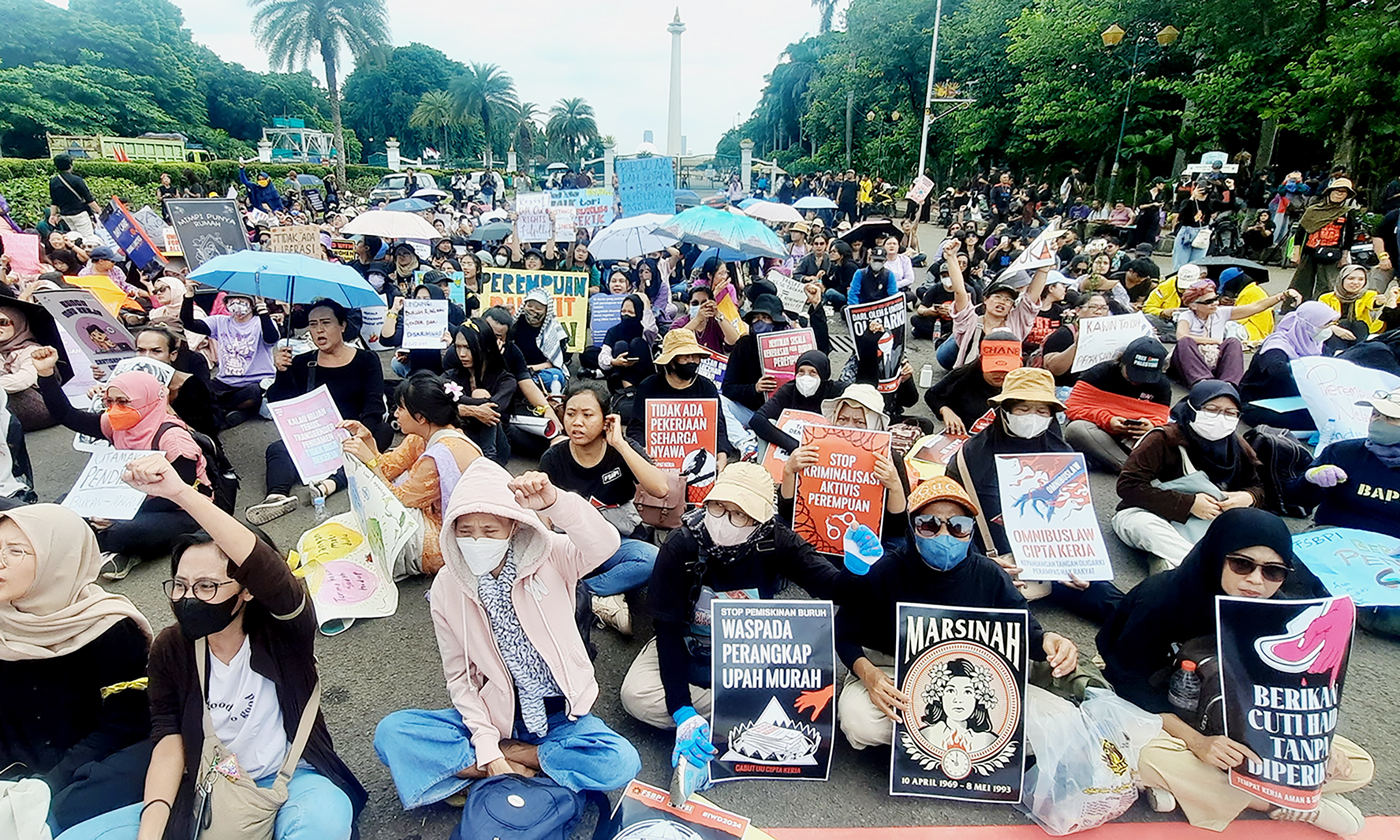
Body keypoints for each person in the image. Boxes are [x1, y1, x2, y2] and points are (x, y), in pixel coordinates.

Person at [58, 454, 368, 840]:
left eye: (207, 586)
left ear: (247, 590)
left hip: (294, 782)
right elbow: (168, 739)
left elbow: (267, 569)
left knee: (321, 825)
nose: (189, 597)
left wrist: (179, 493)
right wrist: (151, 829)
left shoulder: (282, 630)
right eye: (180, 585)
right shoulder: (171, 648)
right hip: (212, 787)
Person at [373, 460, 641, 807]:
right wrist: (487, 743)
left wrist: (555, 501)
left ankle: (512, 759)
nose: (476, 540)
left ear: (513, 526)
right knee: (391, 734)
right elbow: (461, 678)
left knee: (620, 761)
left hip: (560, 716)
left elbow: (605, 544)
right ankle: (514, 765)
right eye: (465, 530)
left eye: (489, 530)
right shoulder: (447, 586)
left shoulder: (550, 555)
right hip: (493, 717)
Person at [1097, 509, 1372, 835]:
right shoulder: (1163, 598)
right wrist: (1197, 742)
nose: (1256, 580)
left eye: (1273, 571)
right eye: (1242, 564)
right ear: (1217, 556)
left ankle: (1189, 789)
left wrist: (1316, 746)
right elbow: (1128, 682)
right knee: (1144, 755)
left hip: (1236, 722)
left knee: (1356, 764)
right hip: (1160, 715)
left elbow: (1287, 690)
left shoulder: (1278, 612)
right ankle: (1278, 803)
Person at [835, 478, 1078, 750]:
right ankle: (965, 743)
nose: (944, 535)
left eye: (958, 526)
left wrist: (1049, 641)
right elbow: (843, 633)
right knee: (859, 720)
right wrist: (869, 675)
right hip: (896, 670)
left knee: (1062, 722)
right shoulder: (885, 571)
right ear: (912, 528)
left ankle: (930, 740)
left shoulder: (990, 575)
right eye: (929, 524)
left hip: (976, 679)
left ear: (971, 531)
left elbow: (1025, 635)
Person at [620, 463, 849, 733]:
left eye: (739, 514)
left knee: (812, 687)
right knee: (636, 696)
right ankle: (752, 709)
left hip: (753, 651)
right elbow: (666, 629)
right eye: (718, 507)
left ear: (759, 520)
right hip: (689, 646)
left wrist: (857, 568)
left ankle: (736, 710)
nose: (723, 520)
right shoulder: (680, 545)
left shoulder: (777, 540)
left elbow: (834, 588)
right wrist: (682, 708)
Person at [0, 504, 153, 833]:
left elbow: (126, 726)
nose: (1, 561)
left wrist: (45, 786)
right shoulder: (3, 624)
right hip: (16, 778)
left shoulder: (109, 627)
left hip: (90, 773)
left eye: (16, 551)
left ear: (58, 557)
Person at [948, 367, 1122, 621]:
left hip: (1055, 565)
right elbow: (949, 522)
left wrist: (1081, 563)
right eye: (1023, 409)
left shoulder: (1063, 456)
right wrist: (981, 562)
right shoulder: (968, 459)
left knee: (1117, 605)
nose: (1032, 417)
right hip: (992, 564)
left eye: (1042, 411)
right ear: (1004, 410)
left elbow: (1076, 518)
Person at [35, 356, 209, 579]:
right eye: (110, 402)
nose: (115, 408)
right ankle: (108, 546)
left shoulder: (174, 439)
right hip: (130, 500)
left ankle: (98, 543)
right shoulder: (116, 424)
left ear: (147, 400)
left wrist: (118, 516)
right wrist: (46, 375)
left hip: (182, 509)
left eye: (124, 402)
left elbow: (180, 493)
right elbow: (67, 416)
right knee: (61, 508)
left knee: (126, 531)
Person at [540, 382, 671, 636]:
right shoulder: (554, 458)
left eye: (588, 415)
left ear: (606, 420)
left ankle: (584, 592)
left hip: (616, 544)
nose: (577, 422)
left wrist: (620, 443)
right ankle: (607, 595)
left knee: (651, 560)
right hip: (573, 546)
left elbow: (660, 488)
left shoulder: (621, 448)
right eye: (570, 413)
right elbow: (544, 514)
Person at [246, 300, 387, 525]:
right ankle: (277, 497)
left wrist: (361, 431)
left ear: (342, 326)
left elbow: (374, 404)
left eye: (326, 323)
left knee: (381, 433)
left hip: (352, 432)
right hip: (314, 435)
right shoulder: (303, 362)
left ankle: (330, 484)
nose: (319, 330)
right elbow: (282, 403)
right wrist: (282, 371)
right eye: (313, 324)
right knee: (277, 449)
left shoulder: (366, 360)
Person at [338, 373, 481, 578]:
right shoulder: (422, 436)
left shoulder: (440, 454)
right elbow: (389, 468)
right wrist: (368, 440)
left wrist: (370, 461)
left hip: (449, 535)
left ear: (420, 417)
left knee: (382, 519)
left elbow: (397, 501)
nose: (395, 414)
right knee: (398, 478)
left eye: (400, 408)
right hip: (433, 512)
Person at [1113, 381, 1265, 573]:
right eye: (1212, 409)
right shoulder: (1162, 439)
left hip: (1206, 521)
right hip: (1150, 513)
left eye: (1230, 413)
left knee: (1259, 533)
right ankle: (1208, 570)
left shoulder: (1236, 447)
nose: (1221, 418)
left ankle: (1171, 565)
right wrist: (1189, 504)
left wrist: (1249, 497)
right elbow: (1128, 486)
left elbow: (1257, 486)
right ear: (1193, 409)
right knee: (1144, 527)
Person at [779, 383, 907, 522]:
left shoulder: (889, 458)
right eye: (842, 419)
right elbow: (786, 513)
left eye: (859, 422)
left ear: (874, 424)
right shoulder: (813, 449)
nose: (849, 428)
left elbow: (898, 526)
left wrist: (894, 484)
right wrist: (789, 471)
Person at [627, 328, 737, 465]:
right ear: (671, 361)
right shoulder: (648, 387)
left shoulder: (707, 388)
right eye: (685, 356)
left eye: (695, 356)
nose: (691, 361)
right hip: (656, 463)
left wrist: (722, 455)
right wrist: (643, 451)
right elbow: (636, 428)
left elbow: (718, 426)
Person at [1063, 336, 1173, 472]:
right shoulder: (1099, 373)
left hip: (1134, 438)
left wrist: (1151, 426)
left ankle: (1117, 464)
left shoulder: (1161, 384)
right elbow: (1073, 408)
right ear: (1123, 362)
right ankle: (1130, 468)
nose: (1136, 382)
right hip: (1099, 432)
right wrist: (1108, 420)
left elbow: (1161, 419)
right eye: (1132, 374)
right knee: (1076, 429)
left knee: (1167, 437)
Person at [940, 242, 1048, 371]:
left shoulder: (1016, 323)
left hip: (1005, 378)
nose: (1002, 302)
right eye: (997, 297)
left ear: (1012, 306)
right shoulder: (970, 321)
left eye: (1008, 300)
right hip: (970, 377)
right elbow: (960, 291)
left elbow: (1031, 297)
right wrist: (951, 257)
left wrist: (1044, 268)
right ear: (985, 300)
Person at [1169, 281, 1298, 386]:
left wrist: (1282, 296)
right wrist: (1214, 341)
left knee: (1233, 341)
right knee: (1185, 342)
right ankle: (1202, 382)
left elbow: (1255, 307)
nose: (1215, 304)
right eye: (1208, 302)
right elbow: (1182, 336)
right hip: (1189, 363)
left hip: (1213, 360)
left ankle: (1230, 383)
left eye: (1215, 299)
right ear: (1193, 306)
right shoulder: (1186, 316)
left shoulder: (1220, 312)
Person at [180, 289, 279, 426]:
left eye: (241, 301)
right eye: (231, 301)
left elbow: (271, 338)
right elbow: (188, 323)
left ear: (252, 304)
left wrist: (263, 310)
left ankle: (222, 411)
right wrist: (189, 294)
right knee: (198, 391)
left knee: (254, 394)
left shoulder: (261, 322)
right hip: (224, 381)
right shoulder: (220, 321)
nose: (236, 305)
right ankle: (232, 412)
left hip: (254, 382)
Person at [1240, 302, 1339, 430]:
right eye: (1325, 325)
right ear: (1308, 325)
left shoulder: (1316, 344)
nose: (1328, 330)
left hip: (1296, 400)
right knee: (1310, 420)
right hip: (1261, 401)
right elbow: (1276, 369)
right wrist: (1307, 371)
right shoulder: (1277, 344)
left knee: (1330, 416)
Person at [924, 329, 1020, 435]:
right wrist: (945, 410)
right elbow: (932, 395)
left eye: (1006, 369)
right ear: (981, 360)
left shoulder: (1024, 381)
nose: (1000, 374)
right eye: (993, 368)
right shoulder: (964, 375)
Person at [750, 349, 844, 451]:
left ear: (823, 375)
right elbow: (757, 420)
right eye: (801, 372)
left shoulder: (835, 390)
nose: (805, 378)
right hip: (792, 447)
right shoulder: (789, 390)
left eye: (813, 372)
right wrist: (794, 446)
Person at [1291, 178, 1359, 301]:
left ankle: (1322, 309)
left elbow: (1348, 236)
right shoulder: (1313, 210)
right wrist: (1296, 252)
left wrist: (1345, 256)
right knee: (1300, 284)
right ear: (1329, 192)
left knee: (1327, 286)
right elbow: (1301, 232)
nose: (1339, 194)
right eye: (1336, 190)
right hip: (1309, 251)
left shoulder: (1346, 212)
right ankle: (1294, 307)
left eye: (1343, 192)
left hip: (1331, 254)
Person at [0, 303, 55, 430]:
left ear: (18, 323)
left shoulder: (33, 350)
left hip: (39, 407)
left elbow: (23, 380)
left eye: (3, 322)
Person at [512, 287, 569, 397]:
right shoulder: (515, 324)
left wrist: (531, 368)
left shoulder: (554, 330)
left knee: (555, 376)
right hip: (516, 368)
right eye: (529, 306)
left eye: (538, 308)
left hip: (540, 370)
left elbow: (555, 362)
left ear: (546, 311)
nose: (532, 310)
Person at [598, 294, 656, 398]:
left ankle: (635, 388)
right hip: (619, 380)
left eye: (631, 312)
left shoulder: (644, 331)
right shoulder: (613, 331)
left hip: (644, 378)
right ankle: (627, 388)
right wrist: (614, 362)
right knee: (620, 345)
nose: (626, 315)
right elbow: (602, 358)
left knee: (637, 342)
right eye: (623, 311)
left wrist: (646, 305)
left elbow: (650, 328)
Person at [1319, 264, 1389, 344]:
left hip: (1360, 332)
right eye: (1350, 278)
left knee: (1359, 325)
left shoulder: (1368, 294)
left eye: (1361, 279)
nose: (1356, 282)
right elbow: (1321, 320)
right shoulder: (1326, 298)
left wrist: (1378, 302)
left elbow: (1373, 303)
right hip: (1335, 333)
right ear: (1342, 279)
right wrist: (1333, 328)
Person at [48, 154, 102, 239]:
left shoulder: (53, 182)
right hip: (79, 213)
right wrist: (99, 211)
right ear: (70, 165)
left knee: (76, 238)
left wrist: (53, 215)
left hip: (65, 215)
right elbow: (89, 199)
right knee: (88, 238)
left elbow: (54, 201)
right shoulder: (77, 180)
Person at [1172, 181, 1218, 270]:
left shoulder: (1210, 203)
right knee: (1180, 265)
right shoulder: (1188, 201)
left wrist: (1231, 189)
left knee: (1196, 265)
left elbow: (1230, 205)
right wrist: (1192, 197)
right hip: (1187, 232)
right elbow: (1182, 215)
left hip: (1202, 233)